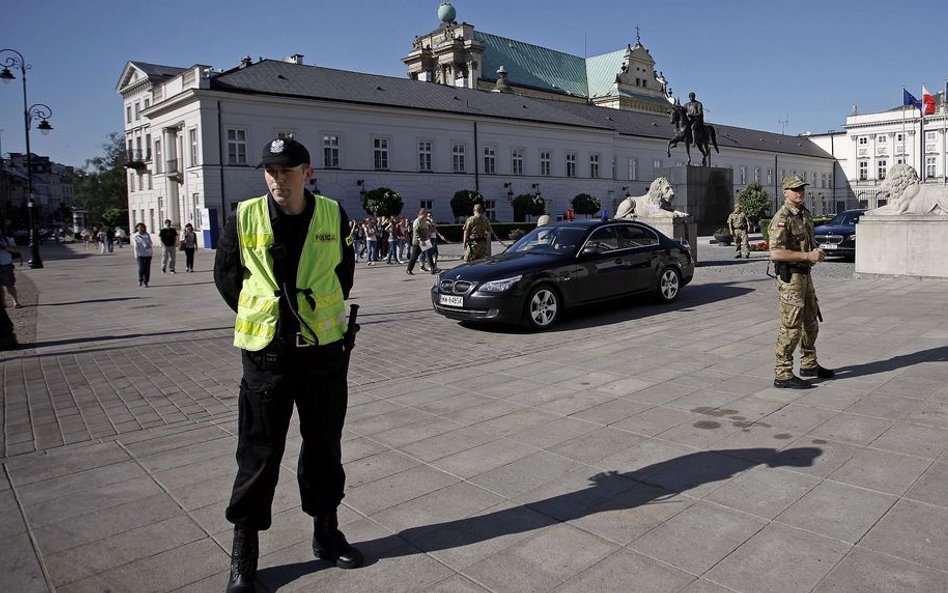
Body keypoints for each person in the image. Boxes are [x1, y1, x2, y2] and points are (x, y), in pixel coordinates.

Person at [213, 137, 360, 593]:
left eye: (287, 170)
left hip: (321, 352)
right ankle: (244, 552)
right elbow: (228, 277)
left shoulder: (333, 214)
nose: (278, 178)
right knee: (258, 451)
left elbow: (343, 273)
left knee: (323, 445)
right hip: (266, 355)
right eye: (271, 170)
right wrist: (270, 316)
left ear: (307, 172)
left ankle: (326, 532)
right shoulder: (244, 216)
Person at [768, 175, 835, 389]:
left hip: (805, 275)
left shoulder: (804, 214)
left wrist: (815, 253)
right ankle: (783, 374)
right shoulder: (782, 217)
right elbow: (776, 253)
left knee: (812, 323)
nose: (800, 192)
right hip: (791, 278)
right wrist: (807, 257)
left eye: (802, 189)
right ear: (785, 192)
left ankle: (808, 364)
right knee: (791, 327)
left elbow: (805, 244)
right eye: (795, 189)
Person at [405, 207, 434, 275]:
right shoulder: (417, 221)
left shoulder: (424, 221)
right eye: (426, 213)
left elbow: (428, 229)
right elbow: (416, 232)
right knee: (414, 256)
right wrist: (420, 240)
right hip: (418, 242)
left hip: (425, 240)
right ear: (422, 213)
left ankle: (433, 269)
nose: (427, 214)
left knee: (429, 255)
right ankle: (409, 269)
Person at [0, 234, 22, 308]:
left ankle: (15, 302)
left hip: (6, 264)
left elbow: (16, 250)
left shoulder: (7, 239)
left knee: (10, 285)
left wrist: (5, 247)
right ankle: (3, 303)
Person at [132, 223, 154, 287]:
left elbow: (150, 243)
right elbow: (136, 246)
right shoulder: (136, 236)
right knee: (141, 268)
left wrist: (150, 249)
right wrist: (136, 254)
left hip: (148, 254)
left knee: (147, 268)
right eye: (140, 227)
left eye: (143, 227)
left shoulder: (147, 235)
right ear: (137, 228)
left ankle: (146, 281)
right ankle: (140, 279)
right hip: (140, 254)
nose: (141, 228)